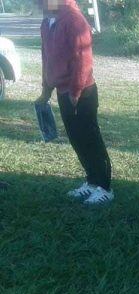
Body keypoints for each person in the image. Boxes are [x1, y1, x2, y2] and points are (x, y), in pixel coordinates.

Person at [36, 0, 113, 206]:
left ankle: (105, 187)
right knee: (76, 138)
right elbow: (47, 59)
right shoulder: (47, 23)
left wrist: (76, 90)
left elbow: (83, 59)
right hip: (63, 92)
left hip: (82, 93)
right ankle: (91, 181)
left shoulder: (74, 20)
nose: (37, 4)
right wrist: (46, 90)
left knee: (90, 139)